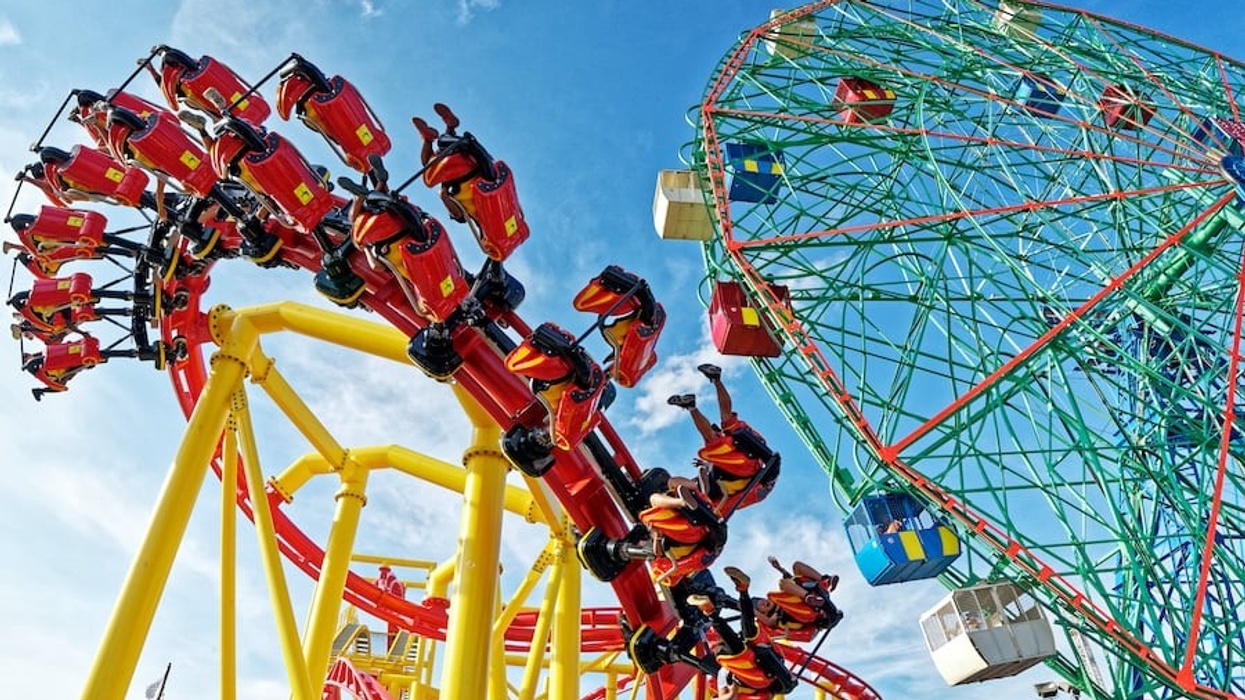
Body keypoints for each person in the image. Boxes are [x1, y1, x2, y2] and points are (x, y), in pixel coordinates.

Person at [668, 363, 778, 515]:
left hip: (739, 468)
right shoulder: (716, 482)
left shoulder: (710, 488)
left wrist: (706, 467)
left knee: (718, 433)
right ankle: (701, 395)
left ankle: (695, 401)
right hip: (741, 467)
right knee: (722, 428)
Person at [687, 566, 799, 699]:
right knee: (748, 637)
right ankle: (739, 593)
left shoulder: (724, 671)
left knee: (746, 639)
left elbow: (724, 696)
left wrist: (731, 692)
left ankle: (741, 592)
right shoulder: (727, 668)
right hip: (762, 670)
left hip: (754, 666)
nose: (716, 649)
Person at [754, 557, 843, 639]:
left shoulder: (782, 598)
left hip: (813, 597)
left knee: (797, 566)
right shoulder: (775, 616)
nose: (764, 602)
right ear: (763, 613)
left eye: (763, 600)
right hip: (805, 612)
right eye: (762, 605)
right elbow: (770, 622)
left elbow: (793, 580)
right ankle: (808, 597)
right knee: (781, 584)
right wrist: (751, 610)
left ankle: (825, 581)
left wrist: (779, 568)